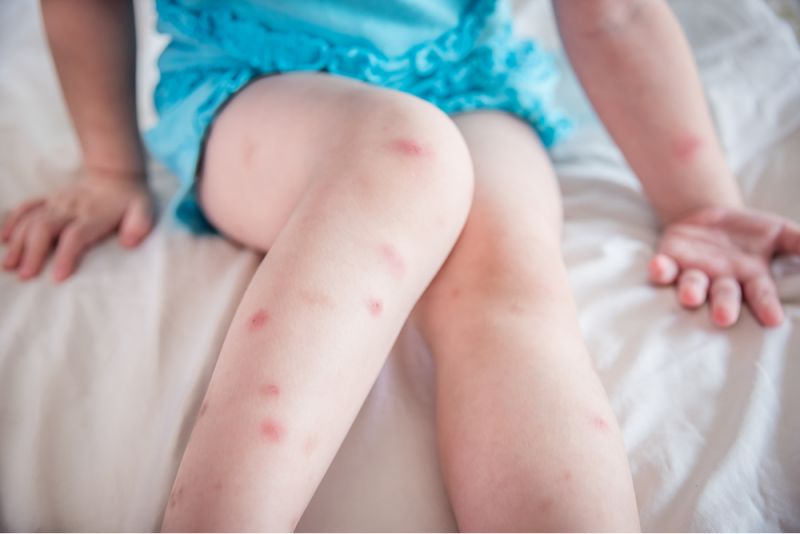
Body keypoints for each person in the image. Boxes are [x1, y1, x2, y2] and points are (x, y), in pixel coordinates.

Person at [2, 0, 798, 531]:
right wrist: (110, 167)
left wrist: (698, 202)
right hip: (256, 90)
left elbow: (614, 12)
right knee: (403, 154)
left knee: (511, 279)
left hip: (464, 81)